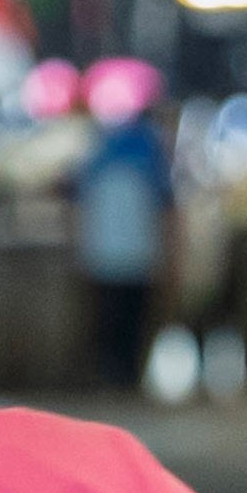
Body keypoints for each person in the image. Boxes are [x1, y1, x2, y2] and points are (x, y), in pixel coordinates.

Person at [73, 70, 171, 391]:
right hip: (138, 251)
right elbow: (165, 203)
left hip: (103, 251)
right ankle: (127, 379)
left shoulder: (99, 149)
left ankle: (112, 377)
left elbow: (79, 198)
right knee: (132, 320)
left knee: (109, 320)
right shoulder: (150, 149)